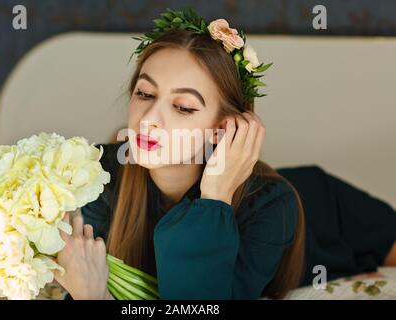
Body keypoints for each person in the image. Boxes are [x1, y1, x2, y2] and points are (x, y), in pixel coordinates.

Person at [53, 8, 396, 300]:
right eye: (144, 94)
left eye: (183, 107)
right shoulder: (96, 176)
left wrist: (214, 196)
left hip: (327, 212)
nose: (149, 120)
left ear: (222, 128)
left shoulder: (271, 206)